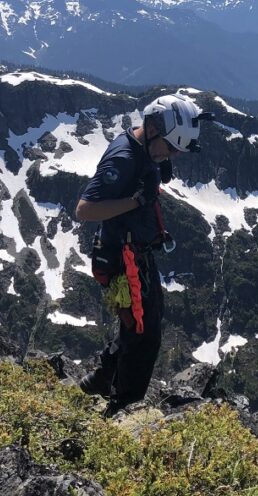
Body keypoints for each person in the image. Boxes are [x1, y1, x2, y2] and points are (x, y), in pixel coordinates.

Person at [74, 92, 210, 416]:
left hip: (137, 254)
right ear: (152, 129)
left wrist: (156, 167)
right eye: (170, 147)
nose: (171, 155)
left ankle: (102, 378)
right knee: (143, 335)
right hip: (122, 259)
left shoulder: (145, 148)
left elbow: (151, 162)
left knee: (142, 322)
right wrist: (136, 200)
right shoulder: (122, 158)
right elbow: (85, 209)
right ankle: (124, 408)